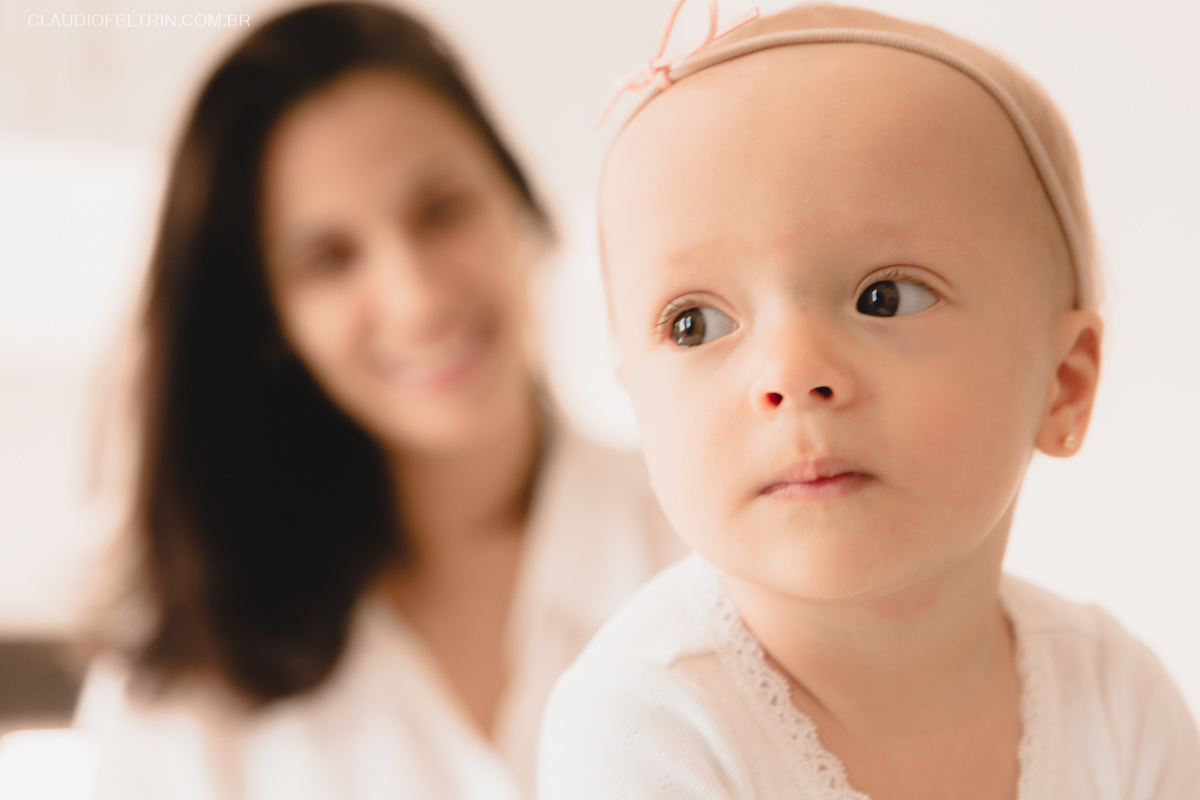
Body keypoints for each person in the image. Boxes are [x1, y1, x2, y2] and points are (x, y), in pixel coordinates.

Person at [539, 3, 1200, 798]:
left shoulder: (1115, 698)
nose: (789, 374)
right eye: (695, 323)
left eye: (884, 297)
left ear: (1064, 384)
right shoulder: (642, 724)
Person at [72, 3, 683, 798]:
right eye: (329, 258)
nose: (415, 296)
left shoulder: (721, 549)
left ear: (521, 206)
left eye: (441, 210)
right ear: (269, 319)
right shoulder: (178, 701)